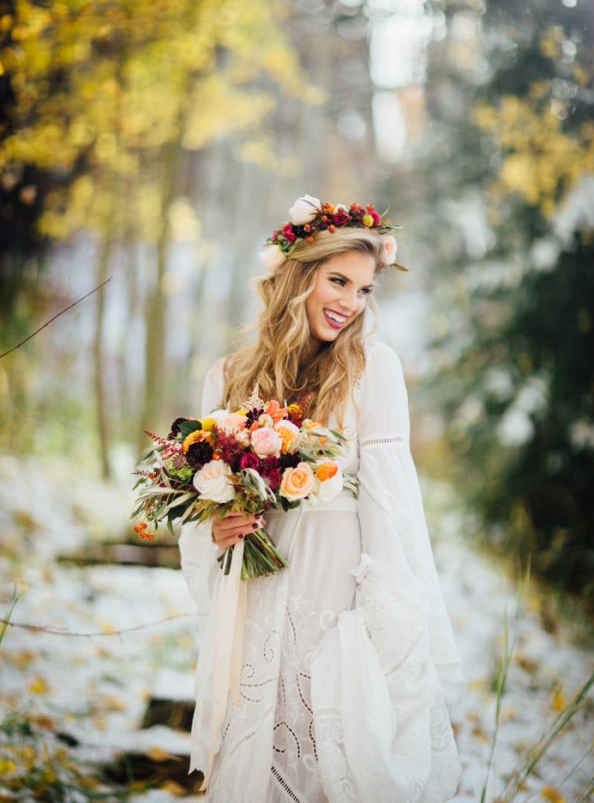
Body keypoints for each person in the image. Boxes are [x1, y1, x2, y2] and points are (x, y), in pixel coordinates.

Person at [178, 195, 465, 802]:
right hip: (258, 593)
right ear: (297, 275)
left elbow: (391, 506)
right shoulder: (227, 377)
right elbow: (205, 511)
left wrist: (381, 625)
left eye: (364, 290)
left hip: (339, 602)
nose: (350, 302)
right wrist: (217, 526)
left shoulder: (370, 369)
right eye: (338, 281)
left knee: (333, 760)